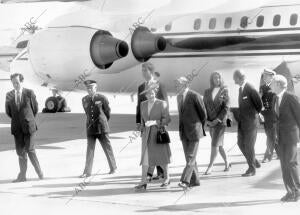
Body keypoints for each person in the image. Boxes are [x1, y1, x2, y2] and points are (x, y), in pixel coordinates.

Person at [5, 73, 43, 182]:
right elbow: (8, 112)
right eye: (13, 83)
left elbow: (35, 109)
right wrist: (18, 120)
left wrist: (27, 120)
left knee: (30, 150)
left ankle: (40, 173)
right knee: (20, 152)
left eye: (17, 82)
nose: (15, 85)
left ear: (21, 81)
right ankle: (22, 176)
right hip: (17, 128)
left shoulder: (29, 93)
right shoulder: (9, 95)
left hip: (29, 127)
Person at [134, 84, 171, 190]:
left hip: (158, 134)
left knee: (162, 158)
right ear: (145, 95)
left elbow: (167, 120)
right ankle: (143, 181)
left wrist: (155, 122)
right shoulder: (143, 104)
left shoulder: (162, 104)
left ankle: (167, 178)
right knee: (145, 159)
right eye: (148, 93)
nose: (151, 95)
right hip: (146, 135)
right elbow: (142, 120)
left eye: (152, 93)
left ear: (155, 93)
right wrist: (140, 127)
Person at [136, 62, 169, 181]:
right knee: (148, 148)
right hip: (146, 124)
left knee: (158, 146)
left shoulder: (160, 85)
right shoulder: (141, 87)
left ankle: (161, 173)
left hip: (158, 123)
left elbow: (165, 104)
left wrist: (163, 122)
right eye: (142, 71)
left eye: (145, 71)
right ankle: (149, 175)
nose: (143, 73)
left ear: (151, 72)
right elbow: (138, 106)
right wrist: (138, 123)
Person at [270, 74, 300, 202]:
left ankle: (297, 190)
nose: (270, 85)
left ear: (278, 84)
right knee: (283, 165)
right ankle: (290, 191)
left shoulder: (291, 97)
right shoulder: (274, 98)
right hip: (279, 137)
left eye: (272, 83)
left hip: (291, 136)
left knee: (291, 163)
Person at [80, 80, 117, 178]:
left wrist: (103, 121)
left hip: (101, 127)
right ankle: (87, 172)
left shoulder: (102, 98)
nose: (89, 90)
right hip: (90, 127)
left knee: (107, 148)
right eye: (88, 88)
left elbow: (107, 111)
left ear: (95, 88)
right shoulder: (84, 99)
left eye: (91, 88)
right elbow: (87, 112)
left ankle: (113, 168)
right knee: (90, 150)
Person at [176, 77, 207, 189]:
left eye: (178, 83)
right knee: (189, 158)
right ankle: (196, 180)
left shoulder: (194, 95)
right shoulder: (178, 97)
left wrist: (198, 127)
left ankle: (185, 181)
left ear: (185, 84)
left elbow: (203, 114)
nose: (176, 85)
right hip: (183, 132)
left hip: (194, 131)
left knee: (190, 157)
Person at [233, 70, 262, 177]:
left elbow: (259, 104)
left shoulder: (250, 88)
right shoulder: (241, 89)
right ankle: (253, 160)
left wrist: (253, 116)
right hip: (242, 122)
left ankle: (252, 169)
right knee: (240, 143)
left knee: (249, 146)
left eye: (234, 78)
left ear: (240, 78)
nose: (234, 81)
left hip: (250, 123)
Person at [203, 72, 231, 175]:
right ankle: (228, 162)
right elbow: (204, 107)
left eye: (219, 78)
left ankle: (210, 166)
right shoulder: (207, 92)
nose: (217, 80)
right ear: (212, 80)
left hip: (220, 122)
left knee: (214, 144)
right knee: (219, 145)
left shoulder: (224, 90)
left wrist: (217, 120)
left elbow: (226, 107)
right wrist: (206, 120)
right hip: (210, 123)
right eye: (215, 78)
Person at [259, 68, 279, 163]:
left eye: (267, 76)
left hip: (273, 115)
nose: (264, 77)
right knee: (270, 135)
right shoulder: (262, 88)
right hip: (265, 115)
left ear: (272, 77)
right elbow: (260, 101)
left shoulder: (275, 87)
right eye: (264, 75)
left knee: (270, 136)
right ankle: (280, 153)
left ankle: (268, 156)